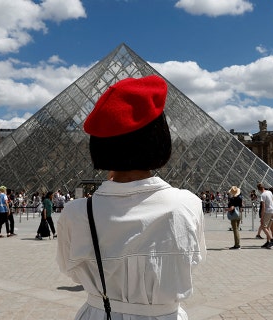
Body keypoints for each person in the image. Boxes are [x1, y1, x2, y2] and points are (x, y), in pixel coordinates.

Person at [57, 75, 206, 320]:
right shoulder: (189, 204)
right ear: (159, 139)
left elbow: (70, 271)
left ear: (100, 144)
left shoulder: (76, 212)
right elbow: (193, 261)